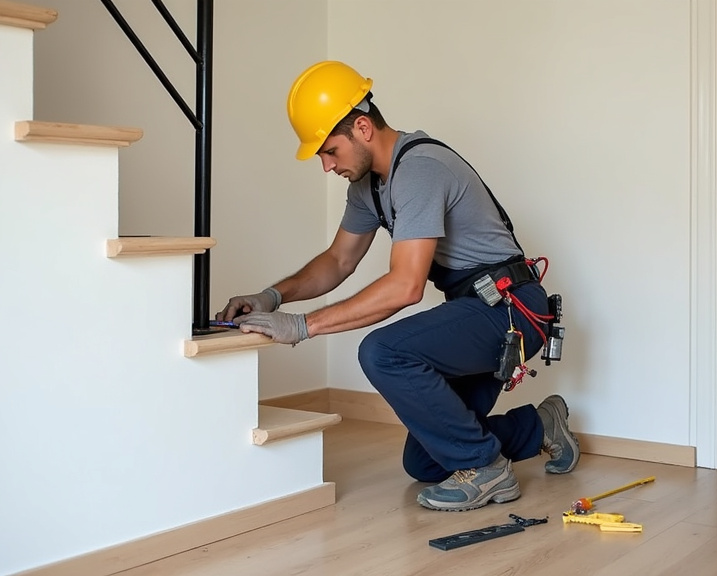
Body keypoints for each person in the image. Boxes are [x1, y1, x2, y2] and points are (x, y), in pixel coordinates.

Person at [217, 60, 579, 512]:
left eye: (329, 151)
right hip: (476, 310)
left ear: (363, 128)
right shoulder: (369, 188)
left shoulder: (421, 169)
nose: (327, 166)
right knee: (426, 461)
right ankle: (539, 427)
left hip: (510, 310)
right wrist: (271, 296)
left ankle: (489, 472)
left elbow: (406, 286)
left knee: (383, 351)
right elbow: (337, 261)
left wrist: (303, 326)